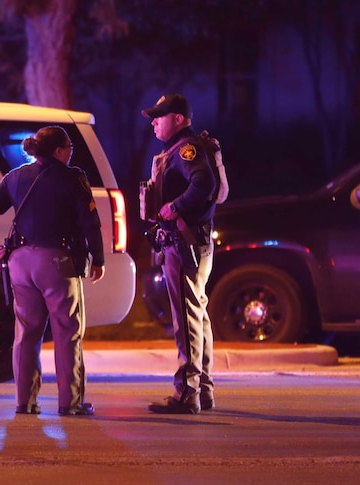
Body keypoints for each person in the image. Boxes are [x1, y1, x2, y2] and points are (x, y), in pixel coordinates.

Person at [0, 125, 105, 416]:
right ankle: (69, 403)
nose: (71, 153)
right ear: (59, 150)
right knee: (67, 332)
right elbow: (90, 222)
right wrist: (97, 258)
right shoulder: (73, 178)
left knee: (26, 333)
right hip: (57, 263)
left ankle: (25, 401)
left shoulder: (15, 176)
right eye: (69, 148)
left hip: (20, 263)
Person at [142, 93, 218, 414]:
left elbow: (204, 183)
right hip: (189, 242)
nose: (154, 122)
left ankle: (187, 393)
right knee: (197, 313)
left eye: (160, 116)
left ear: (178, 118)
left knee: (186, 318)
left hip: (184, 243)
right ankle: (203, 389)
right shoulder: (175, 151)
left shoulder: (187, 149)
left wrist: (175, 206)